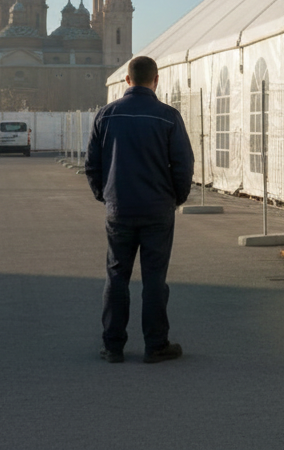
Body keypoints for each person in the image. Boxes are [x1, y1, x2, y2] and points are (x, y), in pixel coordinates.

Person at [86, 55, 194, 364]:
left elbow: (92, 165)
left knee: (117, 276)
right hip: (157, 209)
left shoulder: (105, 116)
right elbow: (183, 166)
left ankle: (113, 346)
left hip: (119, 209)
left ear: (127, 81)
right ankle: (156, 344)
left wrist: (105, 196)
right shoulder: (168, 117)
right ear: (156, 80)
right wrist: (177, 198)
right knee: (154, 279)